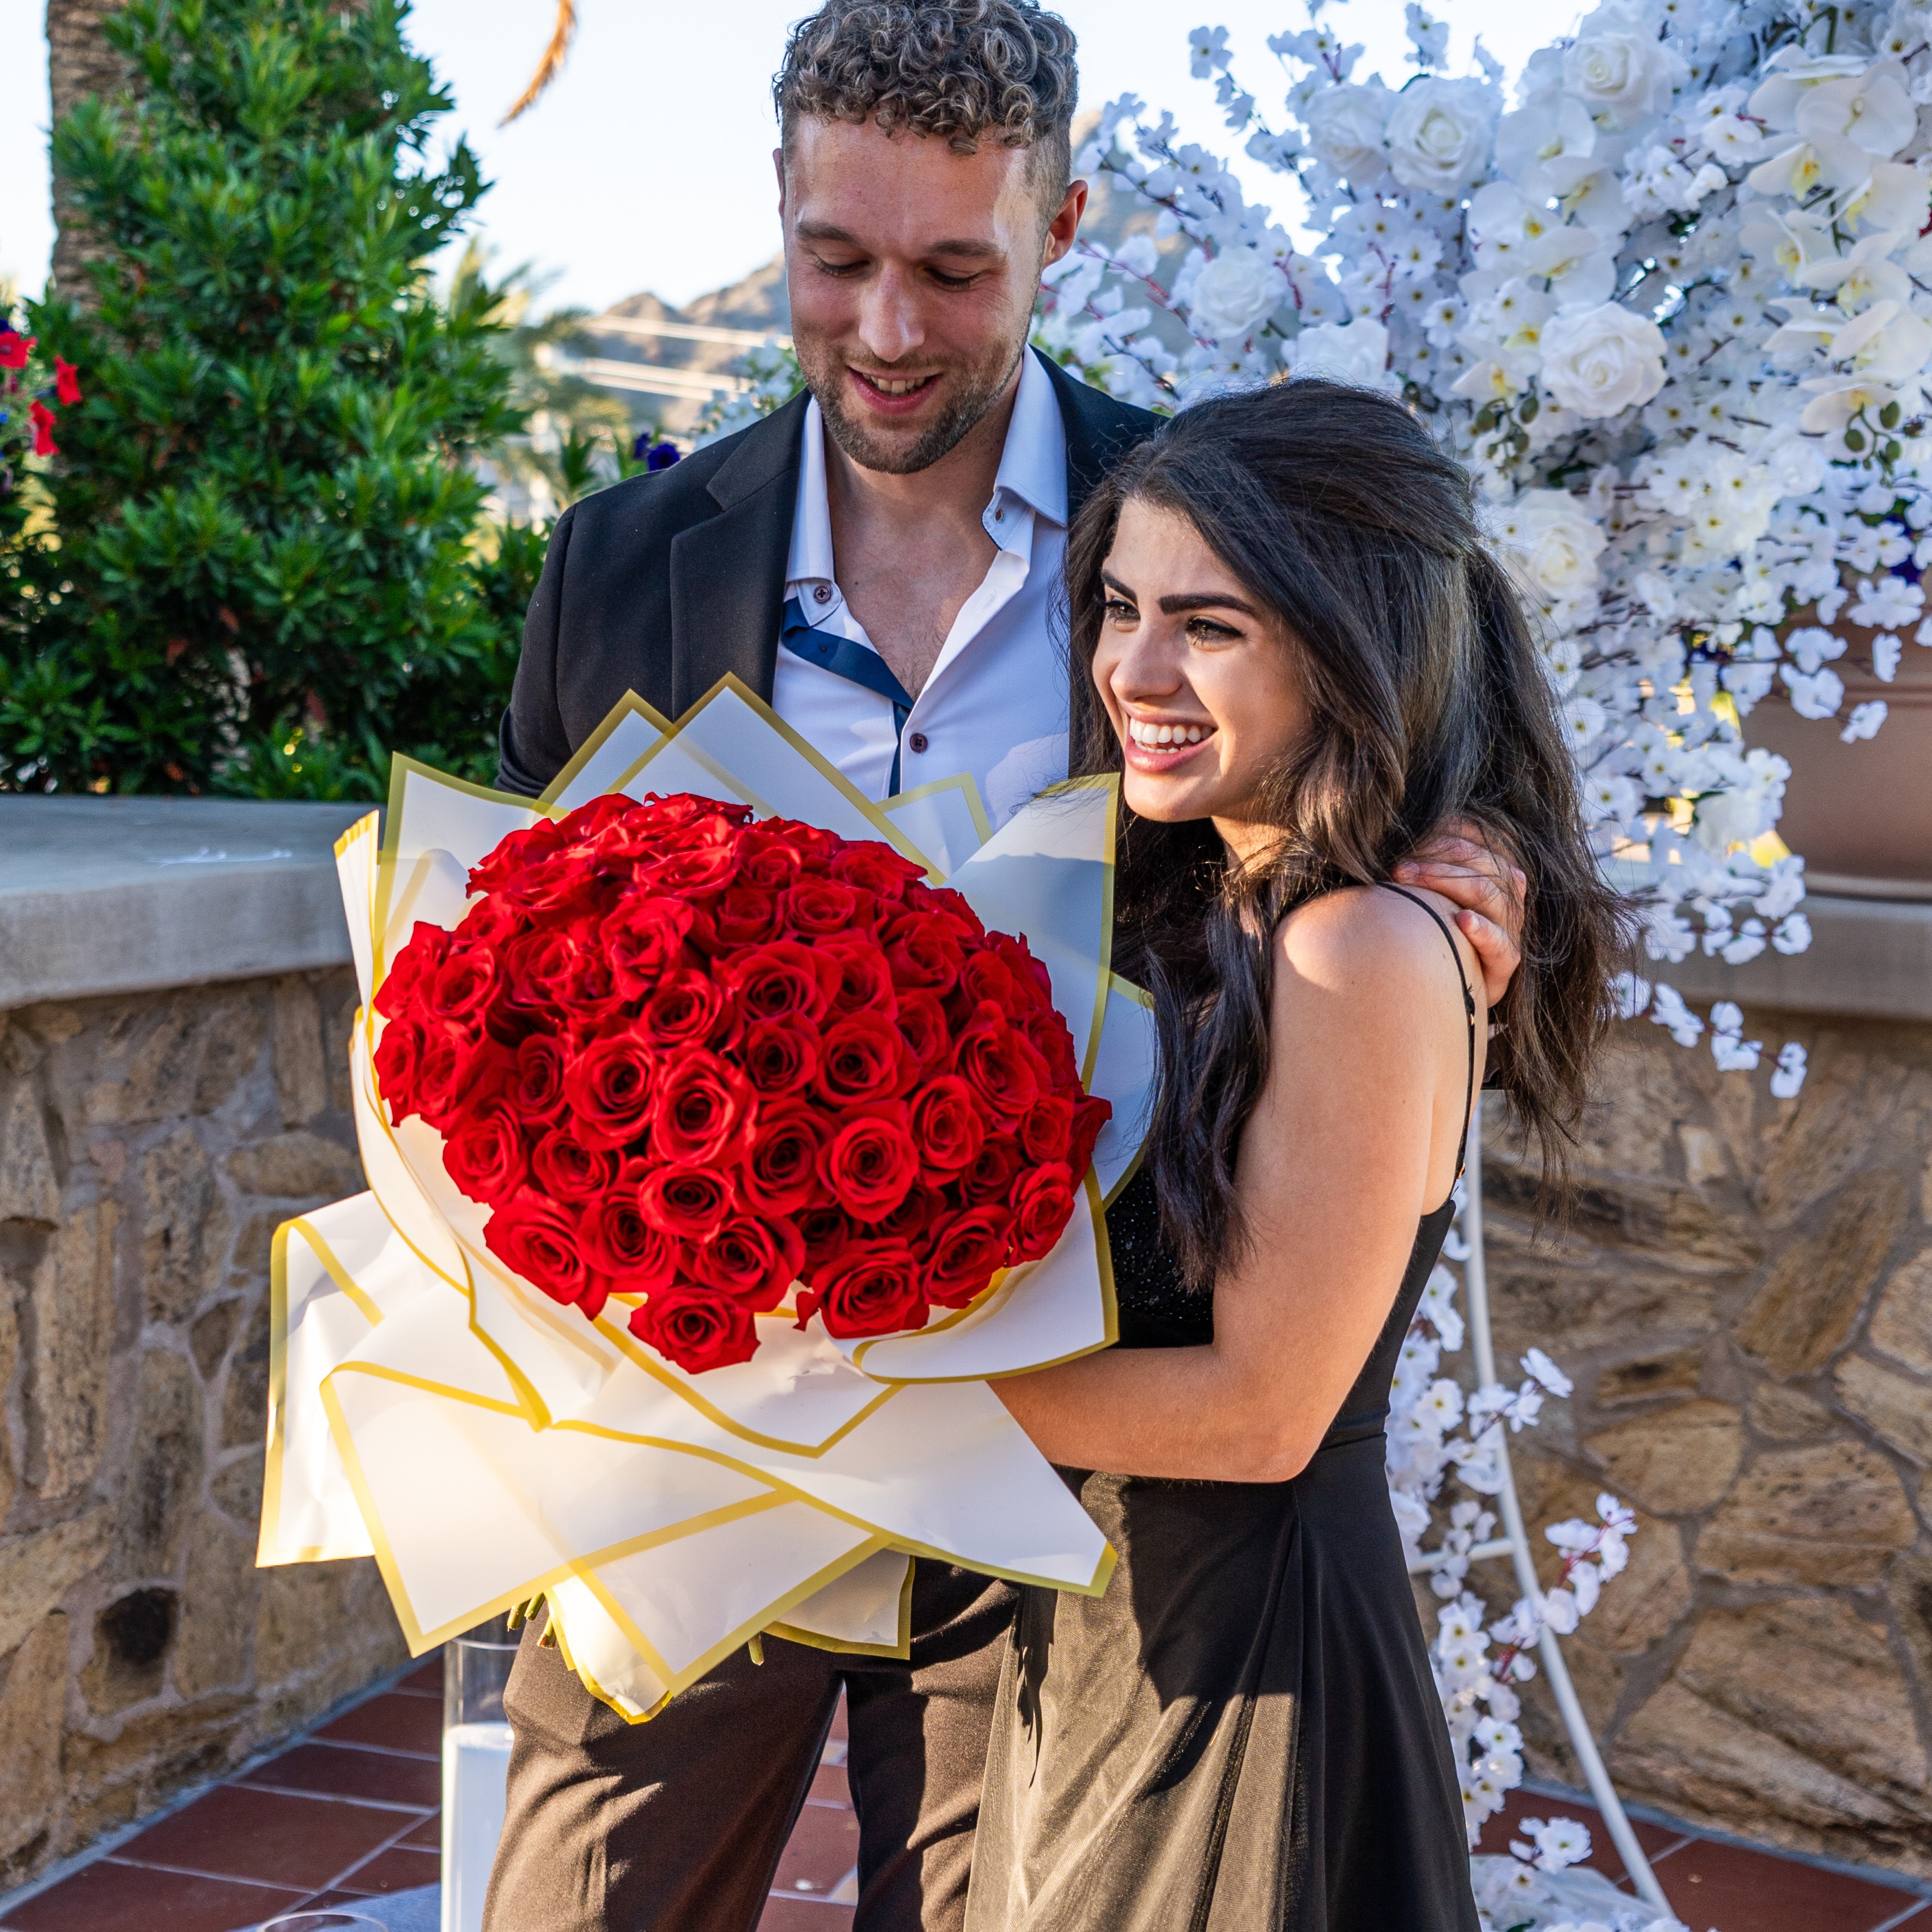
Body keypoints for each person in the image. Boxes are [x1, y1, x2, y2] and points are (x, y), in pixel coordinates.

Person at [486, 6, 1529, 1929]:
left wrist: (1471, 860)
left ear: (1064, 224)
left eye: (956, 269)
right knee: (571, 1898)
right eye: (838, 259)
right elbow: (513, 990)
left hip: (1058, 1477)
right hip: (696, 1443)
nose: (887, 328)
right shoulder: (618, 560)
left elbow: (1375, 760)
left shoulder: (1198, 523)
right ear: (779, 207)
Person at [962, 379, 1630, 1932]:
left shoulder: (1355, 948)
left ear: (1348, 647)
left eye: (1209, 625)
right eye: (1119, 607)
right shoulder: (1218, 910)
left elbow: (1262, 1414)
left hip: (1250, 1678)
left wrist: (856, 1385)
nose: (1133, 668)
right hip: (1126, 1639)